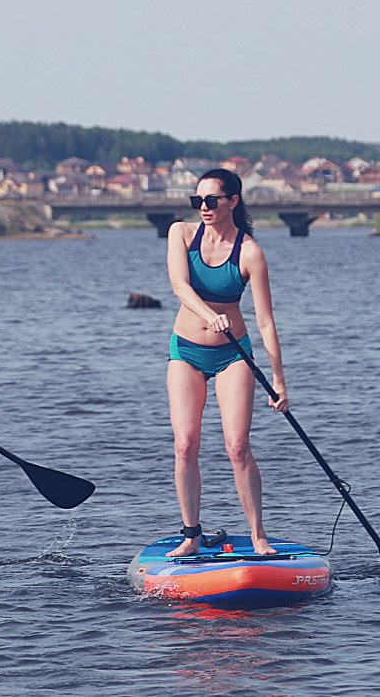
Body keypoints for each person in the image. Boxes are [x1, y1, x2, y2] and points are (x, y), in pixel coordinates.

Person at [165, 167, 288, 557]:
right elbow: (179, 287)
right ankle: (191, 535)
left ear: (233, 201)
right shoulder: (181, 234)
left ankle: (258, 536)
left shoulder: (250, 252)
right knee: (185, 444)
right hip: (185, 350)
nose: (203, 207)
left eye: (211, 200)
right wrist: (207, 315)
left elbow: (266, 320)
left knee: (237, 446)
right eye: (197, 200)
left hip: (233, 356)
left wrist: (279, 380)